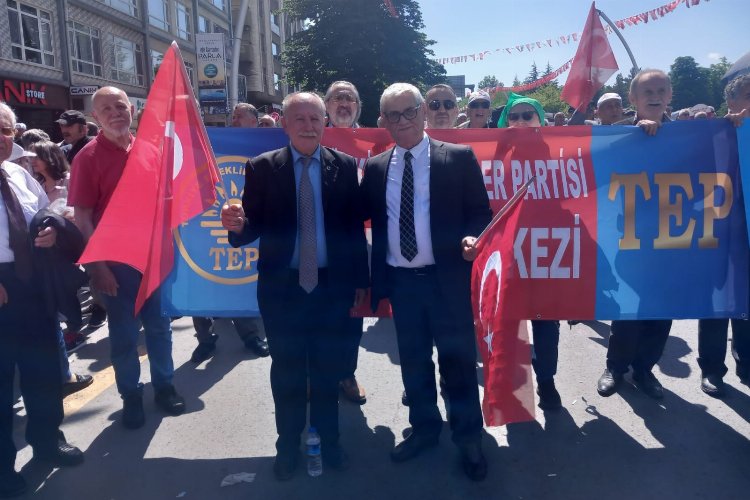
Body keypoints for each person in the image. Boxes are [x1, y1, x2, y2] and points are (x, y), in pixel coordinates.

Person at [221, 91, 368, 480]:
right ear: (284, 123)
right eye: (299, 118)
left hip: (331, 288)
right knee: (286, 372)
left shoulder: (344, 166)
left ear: (325, 123)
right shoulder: (262, 168)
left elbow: (353, 229)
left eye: (315, 118)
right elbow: (252, 225)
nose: (308, 126)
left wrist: (360, 280)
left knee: (326, 372)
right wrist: (237, 226)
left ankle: (330, 442)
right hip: (282, 290)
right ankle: (287, 446)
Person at [360, 83, 491, 481]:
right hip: (402, 284)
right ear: (383, 121)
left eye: (409, 111)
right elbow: (354, 215)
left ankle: (468, 438)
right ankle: (424, 429)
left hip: (446, 281)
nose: (403, 121)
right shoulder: (376, 167)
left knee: (459, 364)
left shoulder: (457, 158)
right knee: (414, 363)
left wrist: (472, 237)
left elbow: (480, 213)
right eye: (393, 115)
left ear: (422, 112)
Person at [68, 86, 186, 429]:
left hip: (155, 257)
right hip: (116, 266)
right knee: (124, 336)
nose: (115, 113)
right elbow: (83, 217)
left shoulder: (151, 150)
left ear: (132, 110)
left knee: (160, 328)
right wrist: (98, 267)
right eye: (106, 109)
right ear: (95, 117)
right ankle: (131, 395)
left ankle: (164, 386)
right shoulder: (87, 158)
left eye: (120, 106)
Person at [0, 102, 84, 499]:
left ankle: (48, 441)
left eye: (5, 130)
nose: (1, 138)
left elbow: (44, 214)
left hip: (33, 285)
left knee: (44, 373)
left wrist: (53, 231)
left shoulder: (18, 173)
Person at [597, 69, 674, 400]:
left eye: (660, 90)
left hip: (673, 240)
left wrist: (731, 125)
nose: (654, 97)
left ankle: (644, 370)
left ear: (670, 95)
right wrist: (636, 135)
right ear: (633, 99)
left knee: (661, 311)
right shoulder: (620, 136)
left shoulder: (692, 134)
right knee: (627, 311)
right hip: (628, 238)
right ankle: (615, 368)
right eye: (647, 92)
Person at [496, 93, 563, 410]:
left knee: (546, 322)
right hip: (508, 251)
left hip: (547, 250)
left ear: (540, 120)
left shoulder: (559, 153)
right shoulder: (497, 155)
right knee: (508, 322)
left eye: (528, 115)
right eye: (514, 116)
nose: (521, 121)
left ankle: (546, 380)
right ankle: (513, 381)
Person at [191, 100, 269, 364]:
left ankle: (250, 336)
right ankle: (205, 339)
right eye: (233, 116)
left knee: (239, 279)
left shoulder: (265, 146)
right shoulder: (214, 143)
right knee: (199, 278)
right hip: (207, 224)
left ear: (254, 121)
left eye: (239, 116)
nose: (234, 120)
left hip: (246, 227)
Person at [697, 74, 750, 398]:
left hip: (747, 235)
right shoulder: (712, 134)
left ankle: (746, 362)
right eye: (748, 95)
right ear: (731, 102)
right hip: (717, 233)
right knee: (717, 303)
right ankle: (712, 369)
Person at [323, 81, 366, 404]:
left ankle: (346, 373)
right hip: (315, 243)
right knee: (315, 314)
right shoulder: (310, 135)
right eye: (336, 97)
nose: (343, 103)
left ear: (358, 107)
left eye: (349, 98)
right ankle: (316, 374)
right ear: (326, 105)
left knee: (352, 315)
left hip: (359, 241)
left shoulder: (376, 141)